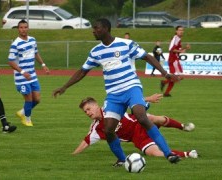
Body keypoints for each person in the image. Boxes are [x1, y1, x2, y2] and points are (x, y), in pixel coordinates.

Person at [52, 18, 181, 166]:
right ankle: (121, 159)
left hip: (131, 87)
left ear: (106, 28)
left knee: (141, 116)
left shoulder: (126, 44)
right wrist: (64, 87)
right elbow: (82, 71)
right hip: (114, 95)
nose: (93, 31)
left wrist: (165, 73)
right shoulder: (96, 51)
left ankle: (168, 153)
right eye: (93, 28)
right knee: (108, 130)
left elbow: (147, 56)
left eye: (97, 28)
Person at [72, 97, 198, 160]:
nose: (87, 113)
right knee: (153, 153)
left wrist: (149, 99)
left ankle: (182, 126)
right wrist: (73, 155)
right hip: (137, 137)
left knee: (152, 117)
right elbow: (86, 142)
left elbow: (129, 100)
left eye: (88, 109)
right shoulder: (96, 128)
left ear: (95, 105)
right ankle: (188, 154)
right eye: (85, 112)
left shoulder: (109, 106)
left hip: (139, 122)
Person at [8, 19, 49, 127]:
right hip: (21, 77)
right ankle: (27, 119)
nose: (23, 29)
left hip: (32, 75)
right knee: (29, 99)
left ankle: (22, 112)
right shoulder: (15, 44)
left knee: (37, 99)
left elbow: (36, 53)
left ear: (28, 28)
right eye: (21, 27)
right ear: (18, 29)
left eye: (25, 27)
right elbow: (10, 61)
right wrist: (22, 72)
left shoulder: (32, 40)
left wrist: (43, 65)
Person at [161, 26, 191, 97]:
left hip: (174, 59)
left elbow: (177, 50)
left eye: (182, 30)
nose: (181, 31)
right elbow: (171, 49)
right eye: (179, 30)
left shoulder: (178, 39)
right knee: (180, 77)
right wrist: (183, 49)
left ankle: (166, 93)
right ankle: (164, 82)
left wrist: (184, 48)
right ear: (176, 31)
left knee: (174, 78)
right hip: (173, 60)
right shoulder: (176, 38)